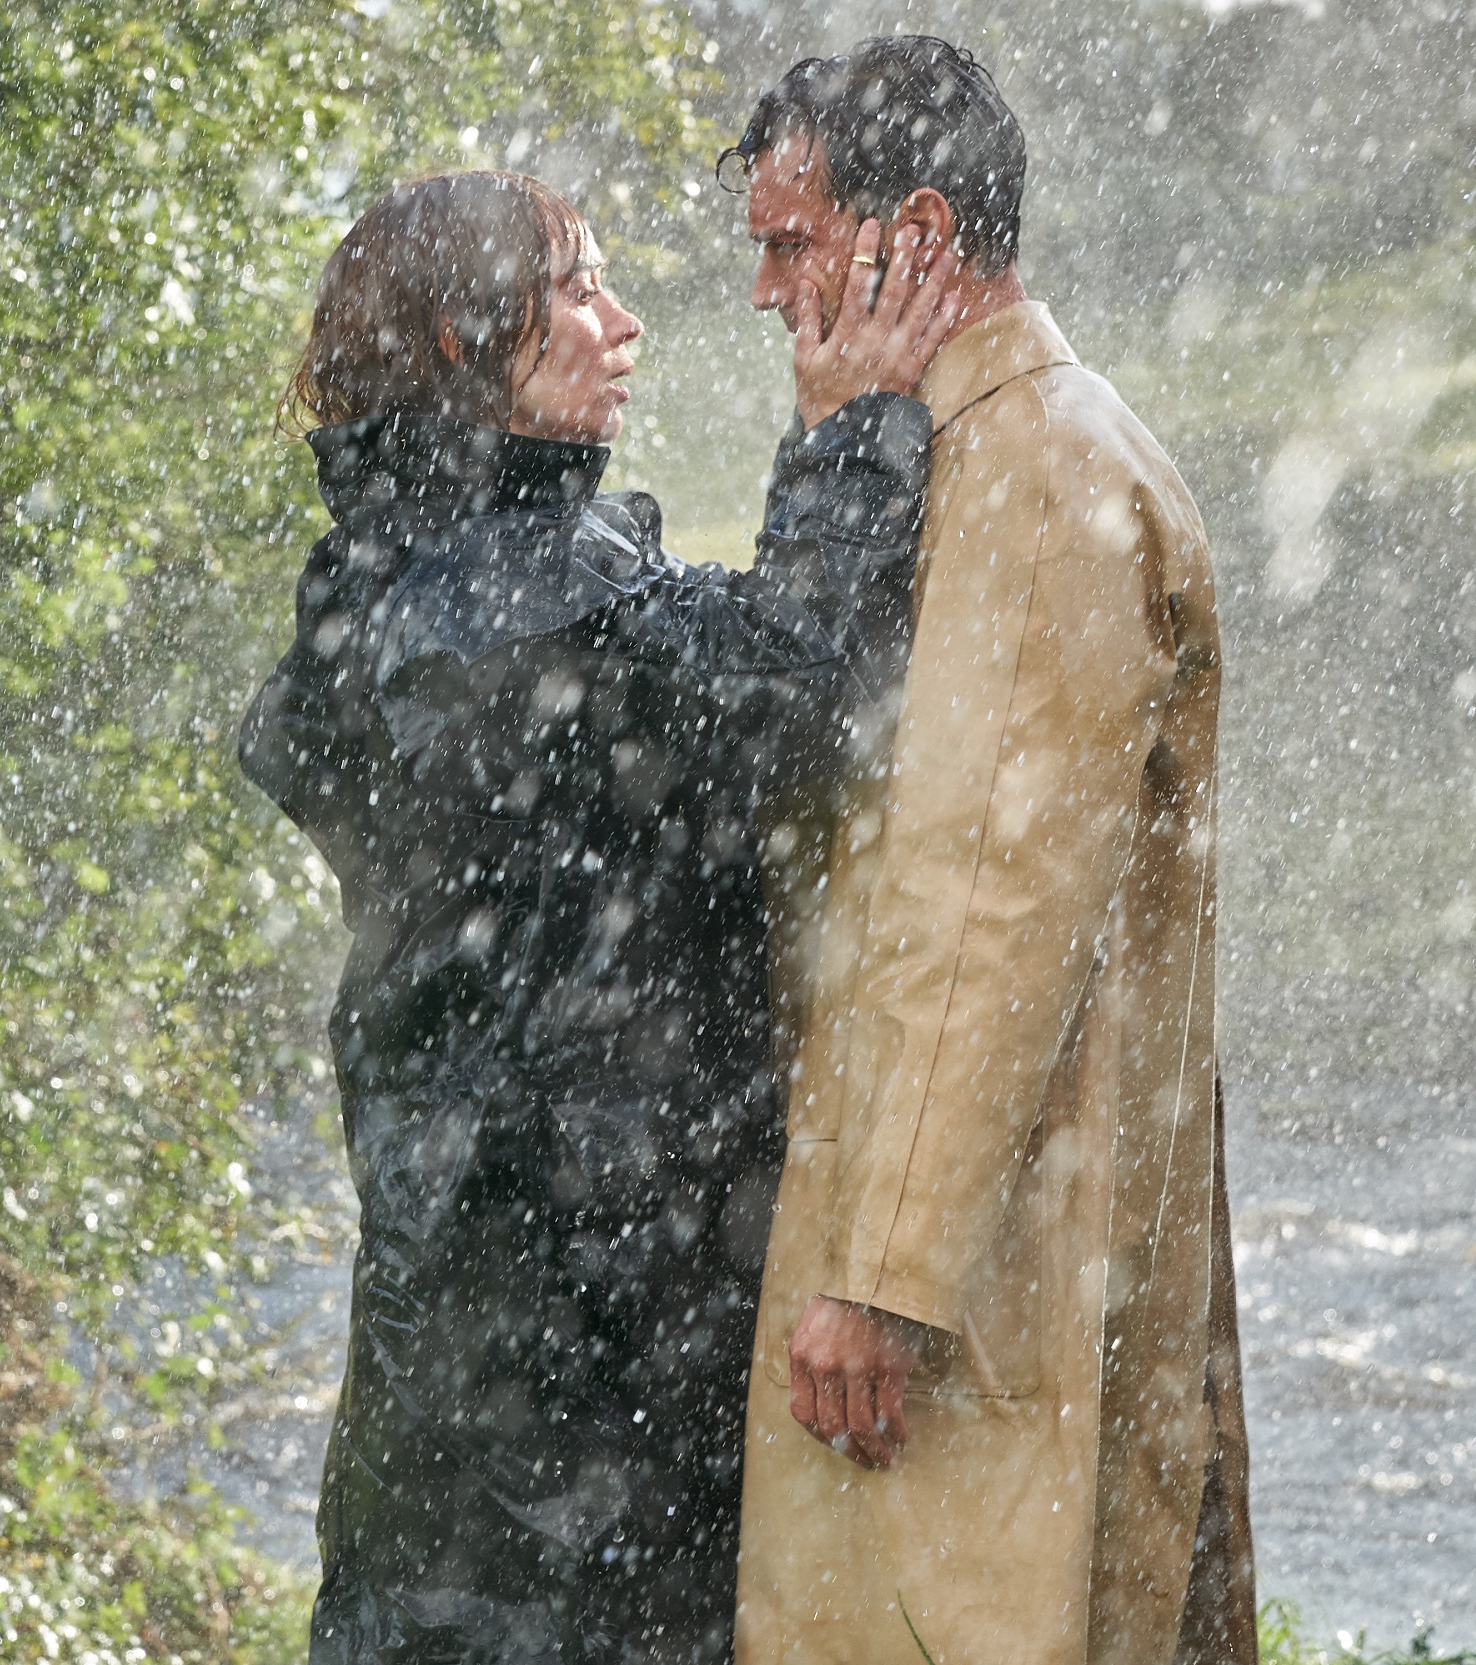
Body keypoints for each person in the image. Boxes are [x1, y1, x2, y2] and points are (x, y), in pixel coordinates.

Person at [239, 170, 957, 1665]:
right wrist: (849, 432)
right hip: (595, 1317)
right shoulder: (520, 593)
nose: (623, 323)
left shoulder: (379, 567)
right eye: (576, 290)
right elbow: (810, 691)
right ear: (464, 340)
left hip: (469, 1306)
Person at [719, 38, 1257, 1665]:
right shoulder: (957, 444)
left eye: (790, 243)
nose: (763, 290)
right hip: (982, 1221)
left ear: (921, 235)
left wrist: (885, 1273)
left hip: (987, 1267)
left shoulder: (1030, 464)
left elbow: (987, 899)